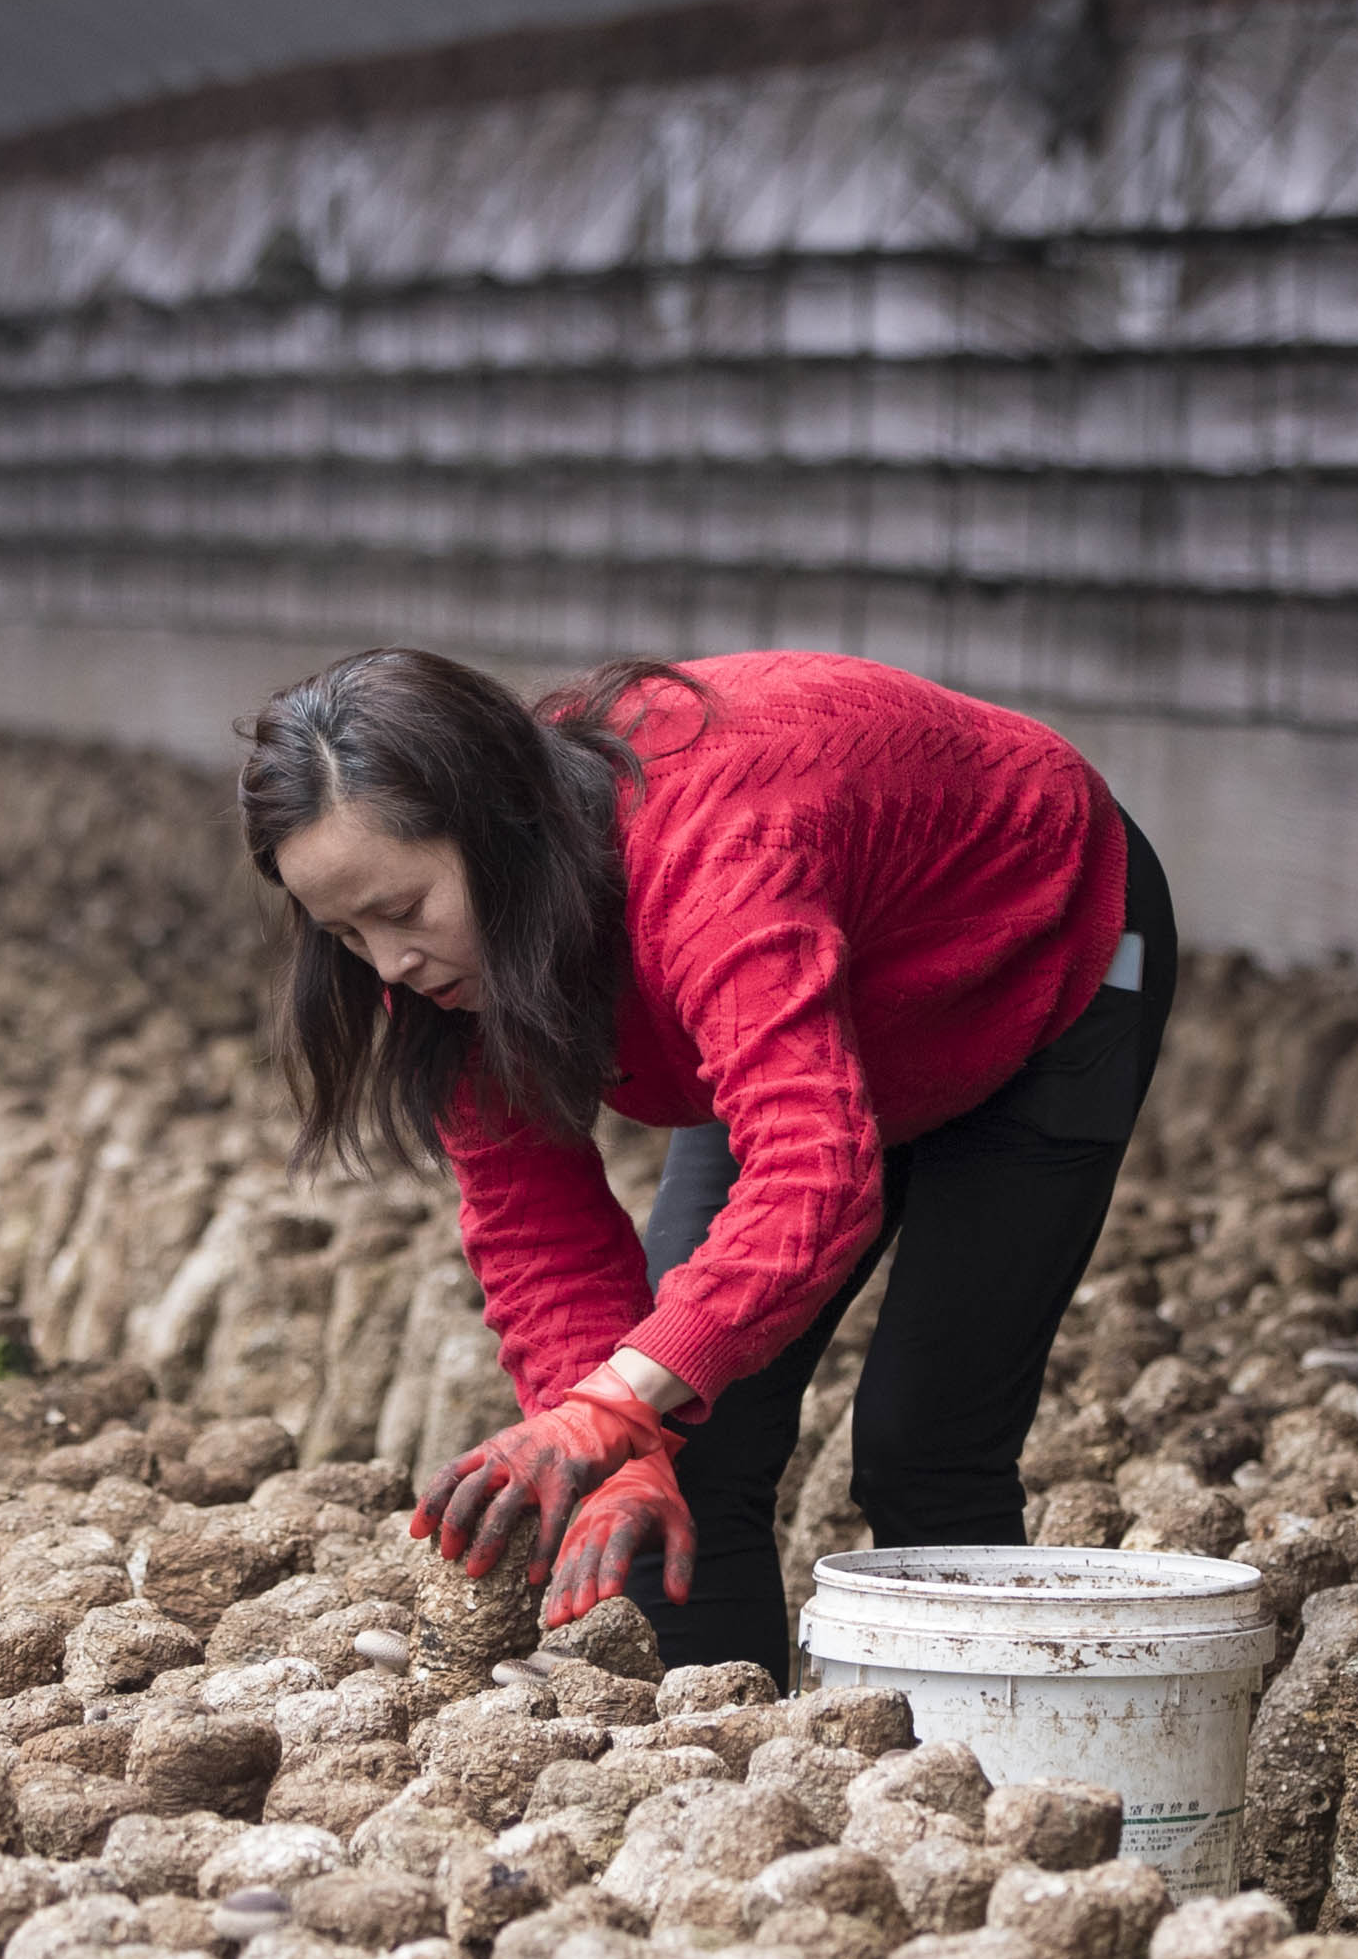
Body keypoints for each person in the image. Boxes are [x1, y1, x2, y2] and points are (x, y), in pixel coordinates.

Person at [240, 645, 1178, 1682]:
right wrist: (607, 1430)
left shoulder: (714, 855)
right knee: (683, 1446)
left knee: (926, 1442)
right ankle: (709, 1773)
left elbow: (811, 1177)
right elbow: (533, 1226)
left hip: (1035, 955)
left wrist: (614, 1405)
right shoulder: (436, 972)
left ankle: (997, 1784)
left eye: (405, 911)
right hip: (806, 1011)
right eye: (344, 932)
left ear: (503, 825)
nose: (389, 966)